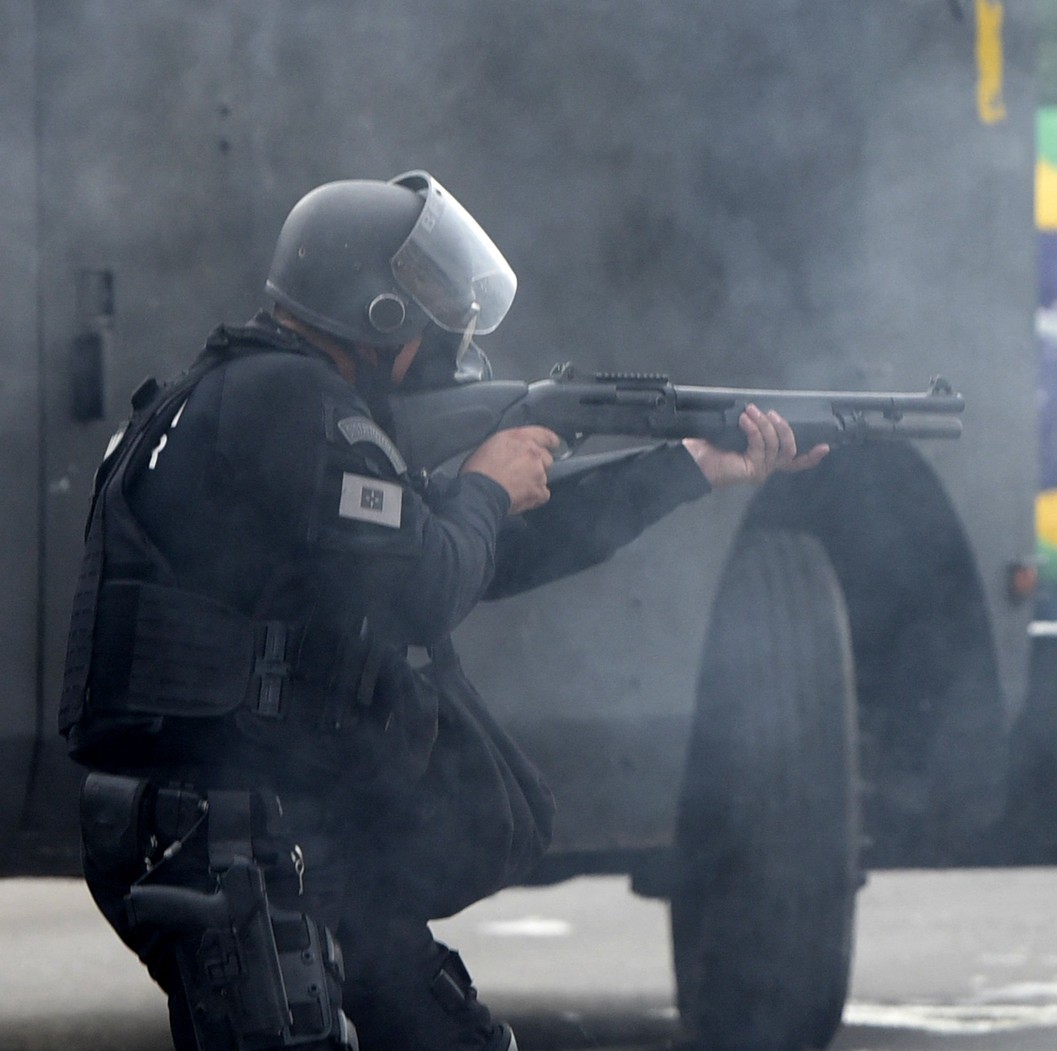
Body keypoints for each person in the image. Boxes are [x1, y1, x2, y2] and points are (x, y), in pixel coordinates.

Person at [57, 171, 827, 1051]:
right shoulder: (291, 402)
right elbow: (430, 581)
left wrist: (690, 467)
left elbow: (475, 555)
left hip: (267, 826)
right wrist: (485, 489)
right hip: (221, 833)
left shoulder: (258, 396)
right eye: (427, 311)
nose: (445, 336)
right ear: (380, 315)